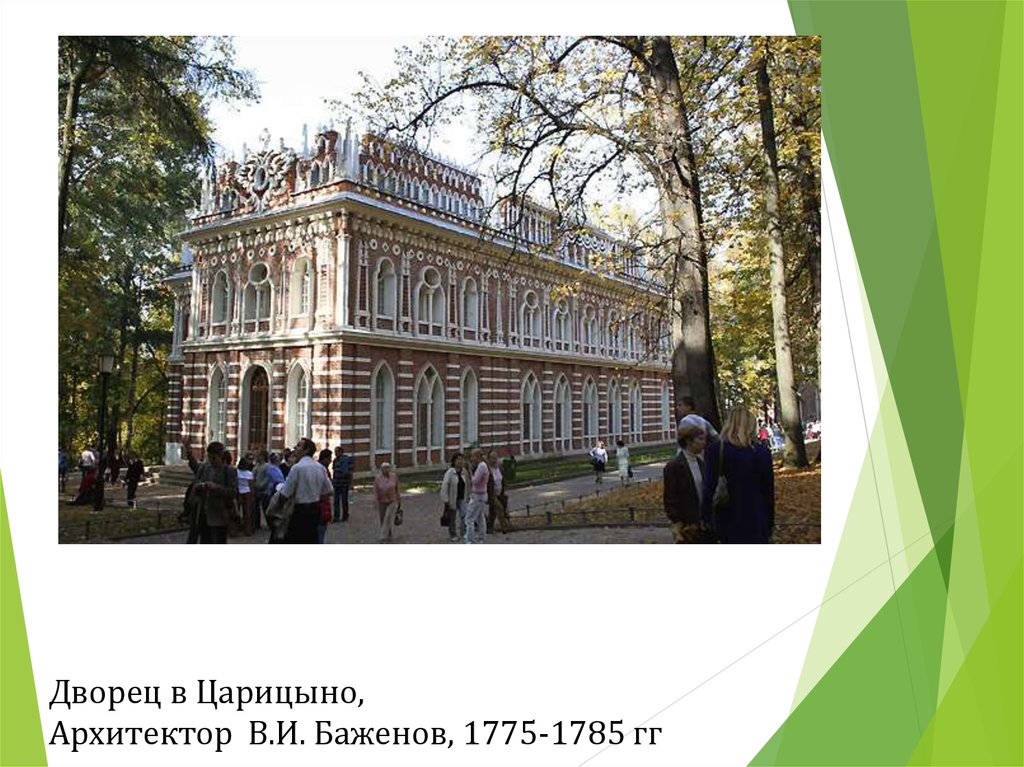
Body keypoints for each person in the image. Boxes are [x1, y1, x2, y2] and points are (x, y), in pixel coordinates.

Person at [702, 407, 775, 544]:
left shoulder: (716, 450)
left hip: (726, 515)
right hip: (756, 516)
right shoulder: (762, 452)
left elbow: (709, 486)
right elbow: (768, 490)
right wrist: (770, 521)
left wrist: (705, 516)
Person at [278, 438, 333, 544]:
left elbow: (285, 494)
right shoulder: (320, 468)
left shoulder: (297, 468)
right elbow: (329, 490)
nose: (295, 448)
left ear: (306, 450)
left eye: (299, 446)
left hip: (300, 511)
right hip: (316, 509)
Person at [663, 424, 710, 543]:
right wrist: (678, 522)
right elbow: (670, 497)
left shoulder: (701, 463)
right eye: (700, 439)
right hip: (686, 526)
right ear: (689, 441)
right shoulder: (674, 466)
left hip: (703, 524)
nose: (704, 442)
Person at [192, 441, 237, 544]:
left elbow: (233, 492)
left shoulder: (229, 471)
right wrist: (199, 487)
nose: (211, 461)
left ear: (221, 456)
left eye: (214, 458)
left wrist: (216, 488)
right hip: (204, 513)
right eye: (209, 457)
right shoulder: (205, 468)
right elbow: (197, 481)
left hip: (220, 515)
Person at [463, 449, 489, 544]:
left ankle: (469, 539)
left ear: (477, 456)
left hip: (478, 495)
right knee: (480, 517)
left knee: (469, 518)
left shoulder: (481, 466)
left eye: (473, 456)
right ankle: (482, 537)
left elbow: (475, 481)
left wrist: (470, 472)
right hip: (482, 494)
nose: (471, 458)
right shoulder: (483, 466)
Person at [440, 452, 467, 543]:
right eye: (458, 460)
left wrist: (468, 495)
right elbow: (445, 485)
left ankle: (464, 532)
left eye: (462, 460)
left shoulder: (464, 472)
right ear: (454, 461)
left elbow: (467, 484)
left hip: (462, 497)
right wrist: (445, 499)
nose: (460, 461)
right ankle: (453, 534)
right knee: (452, 517)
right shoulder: (450, 472)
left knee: (464, 515)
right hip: (452, 498)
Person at [374, 462, 401, 543]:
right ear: (381, 469)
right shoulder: (378, 478)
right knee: (382, 518)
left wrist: (399, 500)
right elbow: (376, 491)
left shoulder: (394, 477)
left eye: (388, 468)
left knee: (388, 517)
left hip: (392, 500)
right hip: (382, 501)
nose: (386, 470)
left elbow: (397, 489)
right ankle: (389, 534)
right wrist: (375, 501)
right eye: (384, 468)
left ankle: (382, 536)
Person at [486, 449, 510, 534]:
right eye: (492, 458)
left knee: (493, 512)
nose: (494, 460)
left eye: (495, 458)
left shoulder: (499, 468)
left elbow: (502, 479)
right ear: (489, 459)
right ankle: (504, 527)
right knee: (499, 508)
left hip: (500, 493)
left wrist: (504, 487)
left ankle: (489, 527)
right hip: (491, 494)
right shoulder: (487, 469)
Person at [331, 445, 354, 522]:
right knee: (336, 501)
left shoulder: (346, 460)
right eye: (335, 452)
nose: (335, 453)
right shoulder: (335, 460)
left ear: (341, 452)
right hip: (337, 483)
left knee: (344, 500)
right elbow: (334, 471)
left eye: (336, 452)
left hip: (344, 483)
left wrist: (350, 483)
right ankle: (336, 516)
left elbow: (349, 472)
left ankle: (345, 515)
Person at [316, 449, 334, 543]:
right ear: (325, 459)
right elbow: (330, 489)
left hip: (320, 504)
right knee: (320, 532)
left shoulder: (320, 468)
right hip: (321, 505)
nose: (330, 461)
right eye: (329, 459)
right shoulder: (322, 470)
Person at [236, 455, 255, 535]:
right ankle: (247, 530)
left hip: (238, 492)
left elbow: (235, 483)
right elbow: (251, 485)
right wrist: (252, 495)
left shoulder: (236, 472)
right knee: (247, 512)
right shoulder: (249, 474)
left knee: (236, 511)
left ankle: (235, 529)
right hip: (247, 492)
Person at [251, 450, 269, 530]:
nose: (257, 457)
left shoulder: (267, 466)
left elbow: (267, 478)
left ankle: (269, 523)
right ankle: (256, 523)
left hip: (264, 490)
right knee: (256, 507)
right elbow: (252, 476)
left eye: (259, 456)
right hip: (256, 489)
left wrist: (261, 486)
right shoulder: (256, 466)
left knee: (265, 507)